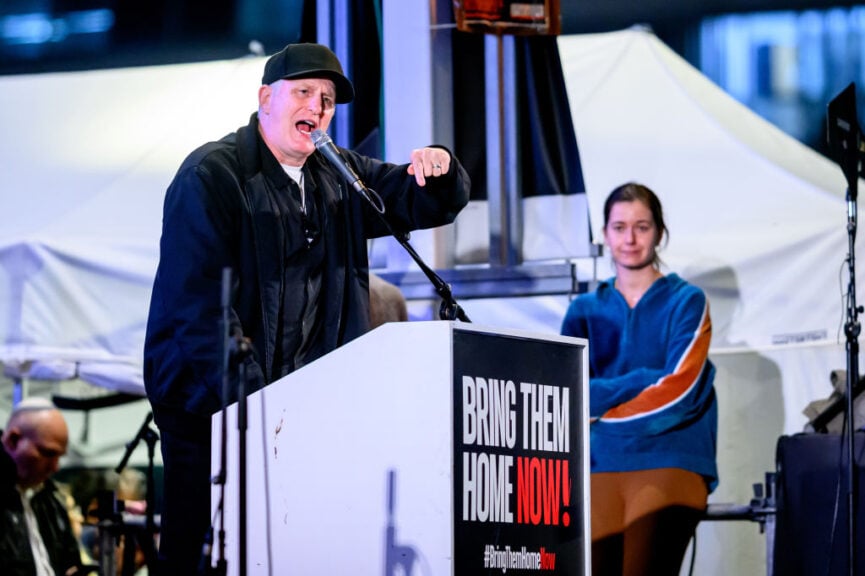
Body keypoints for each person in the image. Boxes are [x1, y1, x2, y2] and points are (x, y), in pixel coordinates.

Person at [144, 42, 470, 575]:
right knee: (208, 558)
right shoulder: (213, 176)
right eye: (304, 94)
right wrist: (259, 409)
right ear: (266, 99)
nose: (317, 109)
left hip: (308, 422)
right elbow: (201, 311)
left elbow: (417, 200)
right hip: (216, 420)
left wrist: (441, 169)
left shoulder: (338, 176)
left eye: (327, 100)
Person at [560, 182, 717, 576]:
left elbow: (680, 391)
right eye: (620, 227)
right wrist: (644, 379)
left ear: (660, 232)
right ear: (604, 233)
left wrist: (599, 415)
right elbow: (565, 393)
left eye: (642, 226)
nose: (630, 239)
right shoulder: (583, 310)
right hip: (596, 465)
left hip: (669, 457)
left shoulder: (687, 301)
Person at [0, 397, 88, 576]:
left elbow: (71, 563)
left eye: (59, 456)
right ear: (13, 440)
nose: (55, 467)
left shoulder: (50, 501)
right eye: (48, 453)